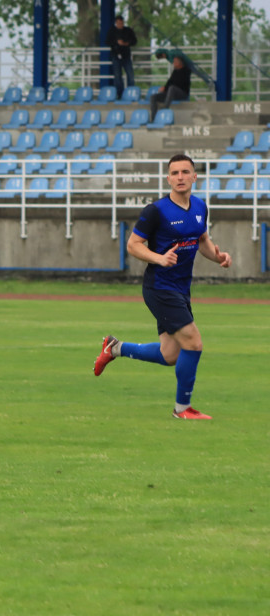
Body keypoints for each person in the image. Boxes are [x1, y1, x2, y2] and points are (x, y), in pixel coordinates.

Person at [94, 154, 231, 419]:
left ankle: (115, 347)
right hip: (159, 287)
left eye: (185, 172)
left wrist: (218, 256)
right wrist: (159, 258)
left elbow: (202, 239)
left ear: (194, 177)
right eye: (175, 173)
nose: (180, 177)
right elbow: (133, 245)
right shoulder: (155, 211)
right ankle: (182, 409)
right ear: (168, 178)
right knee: (193, 342)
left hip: (181, 288)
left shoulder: (200, 206)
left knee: (170, 354)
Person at [150, 53, 191, 120]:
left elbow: (179, 84)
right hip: (171, 93)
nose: (173, 63)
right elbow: (170, 82)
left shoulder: (186, 71)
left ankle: (165, 107)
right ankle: (153, 118)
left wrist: (167, 88)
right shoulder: (175, 71)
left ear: (180, 63)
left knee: (172, 88)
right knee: (153, 97)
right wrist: (164, 88)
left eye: (175, 62)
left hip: (182, 93)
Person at [106, 15, 137, 98]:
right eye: (119, 23)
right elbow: (107, 41)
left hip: (126, 56)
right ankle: (120, 94)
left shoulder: (128, 30)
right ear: (116, 23)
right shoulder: (112, 31)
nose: (120, 25)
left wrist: (126, 43)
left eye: (122, 23)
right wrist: (116, 42)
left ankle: (131, 93)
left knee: (130, 75)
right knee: (117, 77)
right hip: (116, 56)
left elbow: (134, 41)